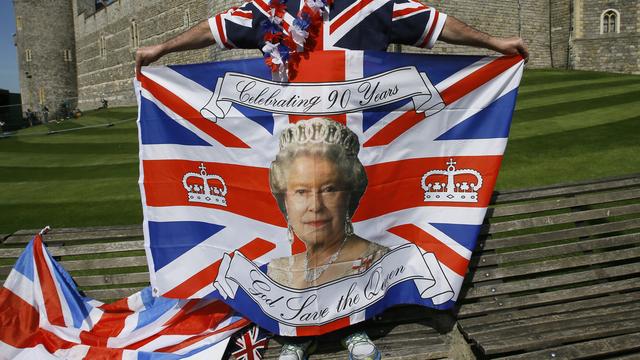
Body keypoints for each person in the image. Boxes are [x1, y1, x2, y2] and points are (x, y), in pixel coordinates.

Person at [134, 2, 529, 359]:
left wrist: (495, 43)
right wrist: (160, 51)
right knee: (295, 239)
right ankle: (295, 333)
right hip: (291, 151)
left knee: (360, 233)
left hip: (355, 151)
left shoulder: (370, 5)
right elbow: (216, 28)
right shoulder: (272, 10)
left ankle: (355, 326)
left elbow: (432, 23)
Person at [267, 118, 389, 289]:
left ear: (349, 196)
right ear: (285, 201)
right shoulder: (278, 271)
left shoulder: (382, 263)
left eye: (329, 190)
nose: (315, 206)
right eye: (301, 191)